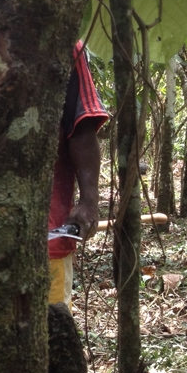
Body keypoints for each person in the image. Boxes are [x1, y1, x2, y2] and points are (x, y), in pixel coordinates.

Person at [48, 42, 109, 307]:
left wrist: (89, 202)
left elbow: (82, 127)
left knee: (51, 331)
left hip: (47, 233)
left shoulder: (62, 42)